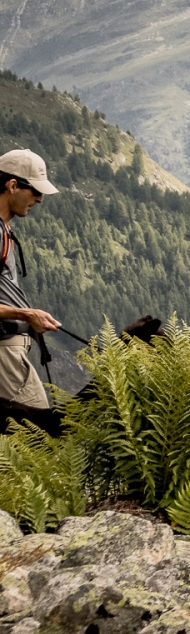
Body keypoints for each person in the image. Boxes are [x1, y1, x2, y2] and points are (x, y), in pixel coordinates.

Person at [0, 149, 65, 436]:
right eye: (35, 191)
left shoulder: (4, 230)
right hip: (5, 353)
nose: (39, 199)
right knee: (40, 442)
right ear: (13, 185)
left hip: (9, 347)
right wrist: (25, 314)